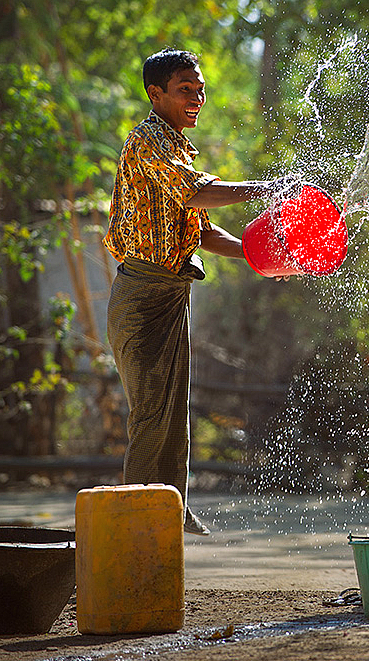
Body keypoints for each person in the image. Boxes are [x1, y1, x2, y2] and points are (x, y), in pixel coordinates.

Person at [104, 48, 279, 535]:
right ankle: (132, 522)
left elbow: (201, 231)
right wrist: (269, 189)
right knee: (150, 414)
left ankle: (168, 509)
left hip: (173, 293)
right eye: (186, 89)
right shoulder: (147, 142)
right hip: (141, 295)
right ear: (154, 94)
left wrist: (262, 256)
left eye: (200, 89)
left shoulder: (178, 146)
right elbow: (196, 193)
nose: (197, 97)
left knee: (173, 408)